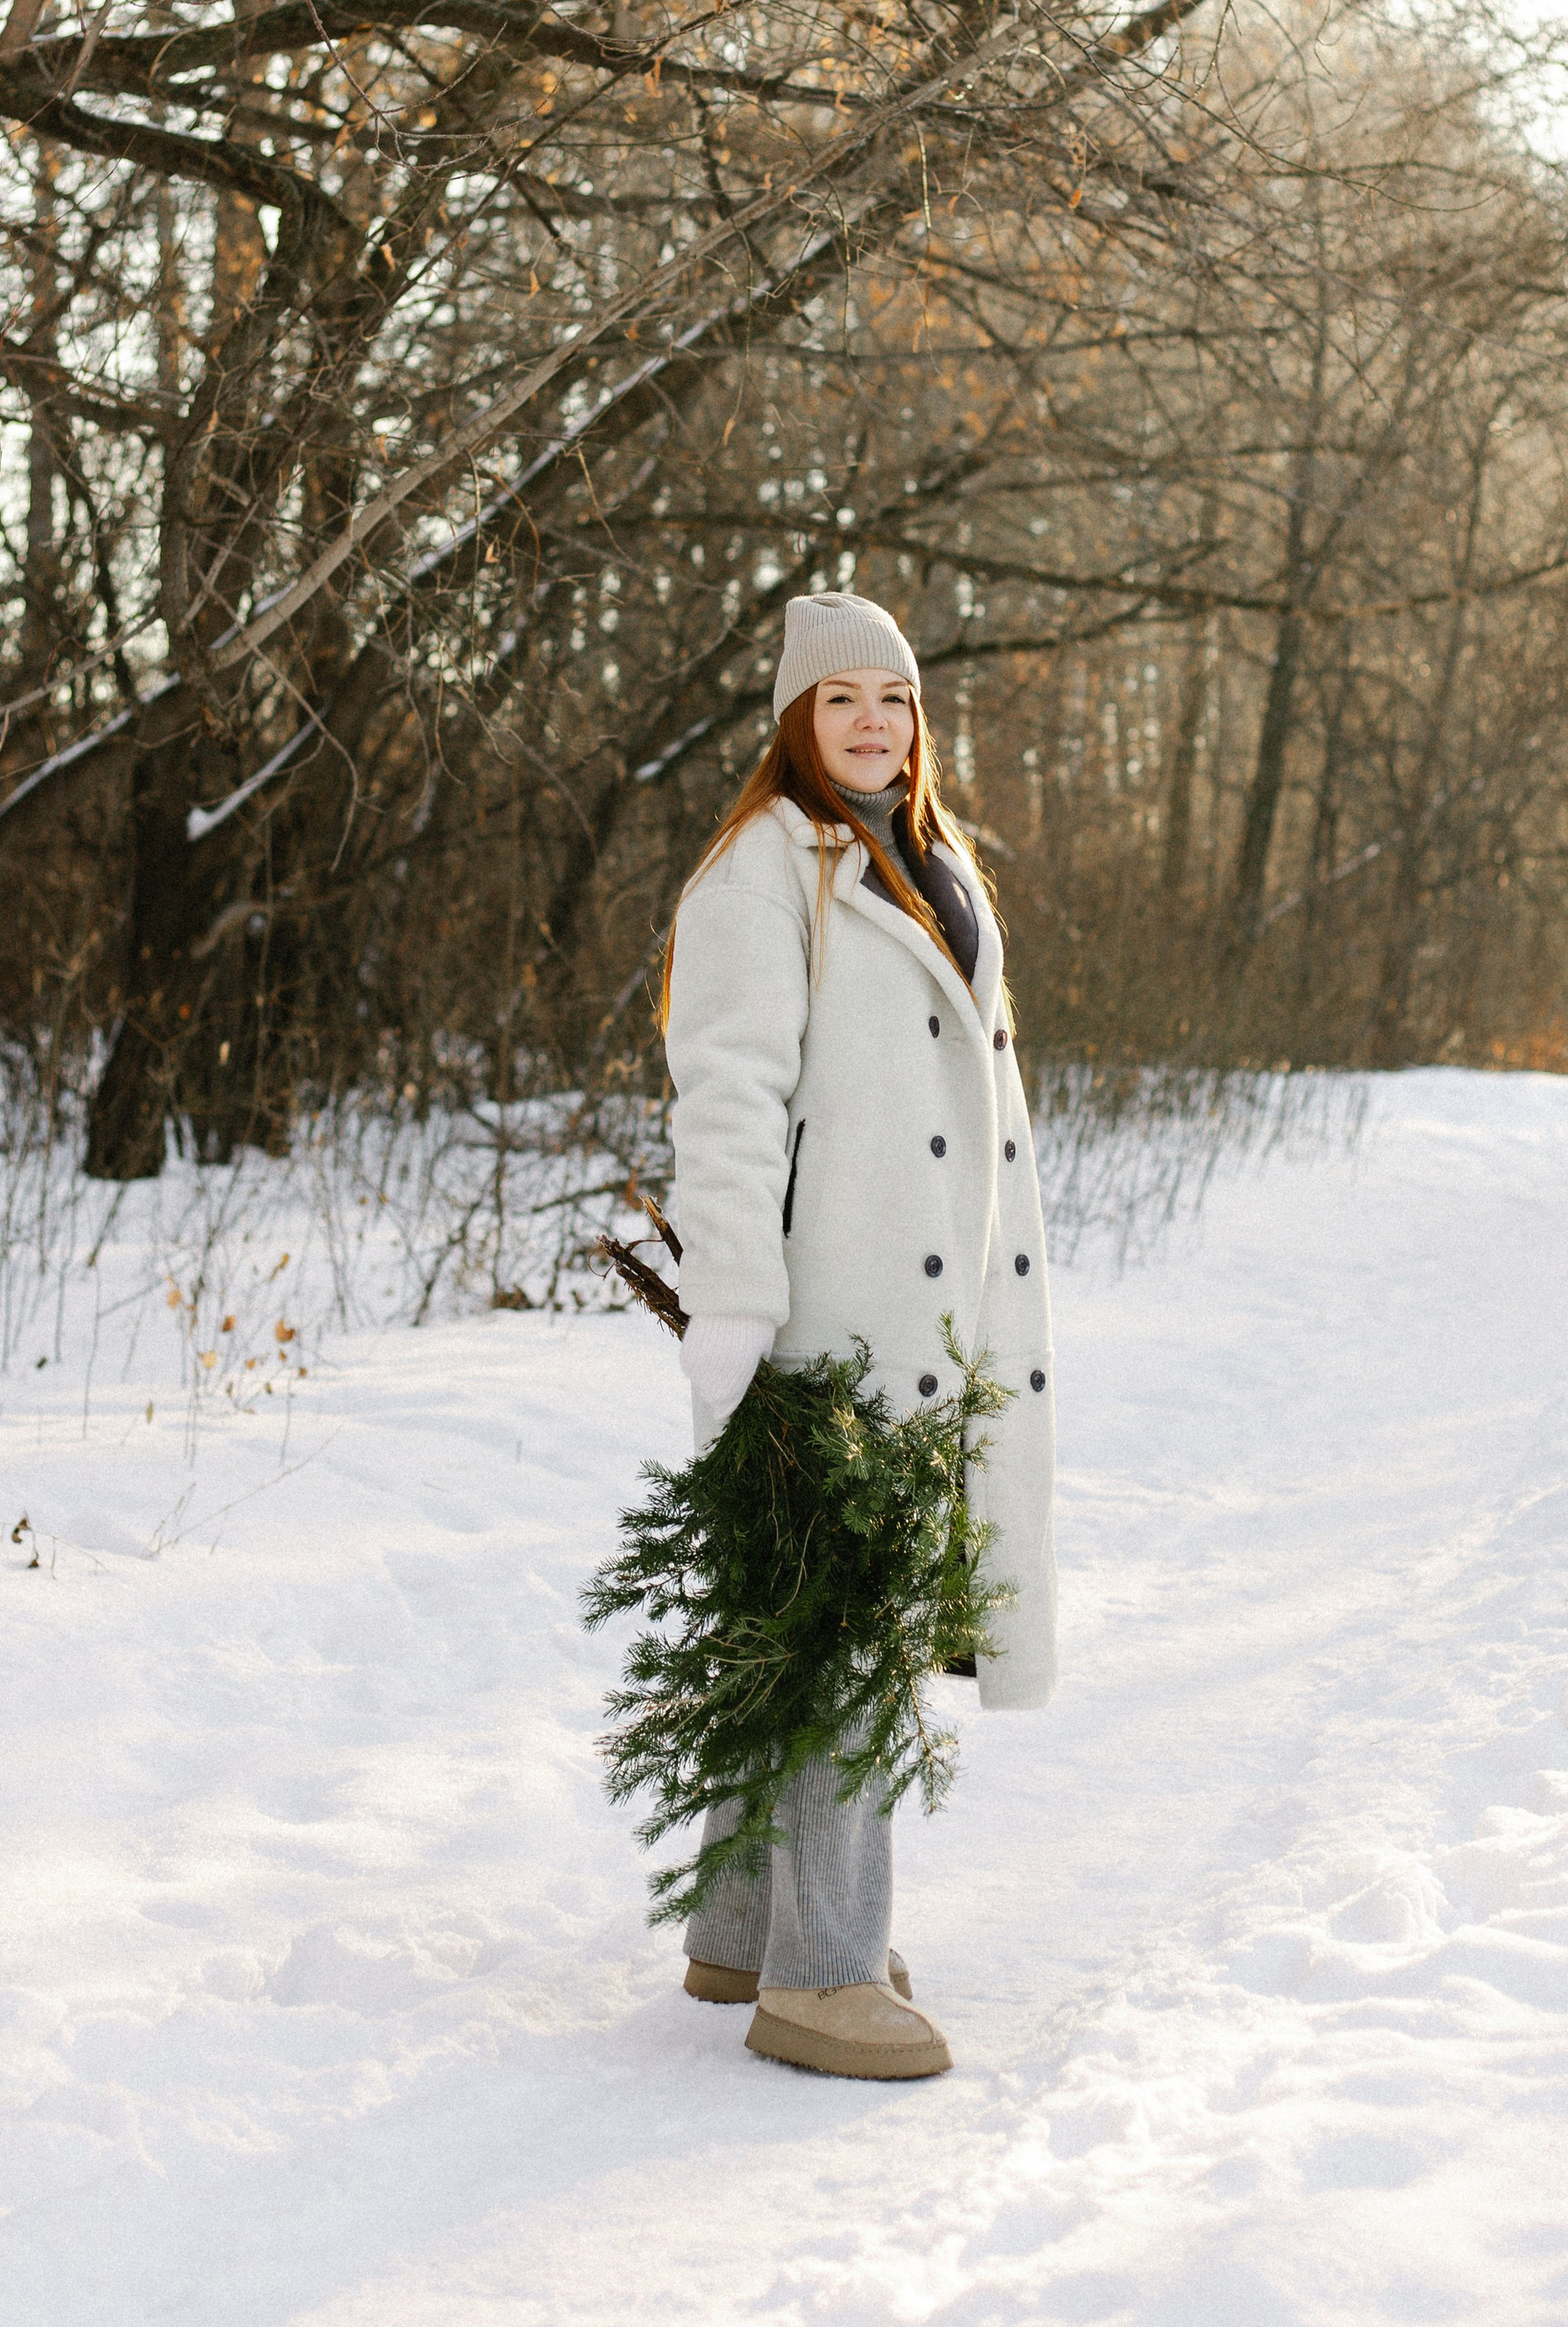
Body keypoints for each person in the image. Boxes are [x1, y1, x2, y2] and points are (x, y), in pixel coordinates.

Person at [659, 588, 1058, 2081]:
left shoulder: (930, 864)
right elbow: (732, 1103)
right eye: (841, 703)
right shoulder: (764, 874)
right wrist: (734, 1303)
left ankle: (741, 1918)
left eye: (892, 698)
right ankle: (820, 1976)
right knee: (846, 1625)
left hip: (937, 1310)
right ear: (794, 722)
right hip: (831, 1309)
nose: (874, 722)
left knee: (797, 1609)